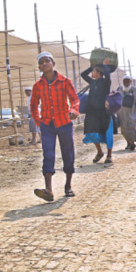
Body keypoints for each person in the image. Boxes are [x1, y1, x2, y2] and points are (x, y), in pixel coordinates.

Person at [30, 52, 79, 201]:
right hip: (47, 125)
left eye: (47, 61)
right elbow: (33, 105)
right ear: (39, 66)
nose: (45, 64)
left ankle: (68, 186)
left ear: (53, 63)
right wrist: (38, 121)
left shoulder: (65, 82)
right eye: (41, 62)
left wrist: (73, 111)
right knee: (48, 155)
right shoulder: (38, 86)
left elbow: (75, 99)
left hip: (64, 123)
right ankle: (48, 190)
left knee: (68, 154)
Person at [81, 60, 113, 164]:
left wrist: (104, 66)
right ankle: (100, 152)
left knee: (107, 133)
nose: (92, 73)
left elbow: (108, 76)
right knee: (92, 132)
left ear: (99, 73)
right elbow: (83, 74)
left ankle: (109, 155)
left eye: (94, 71)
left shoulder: (105, 83)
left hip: (104, 112)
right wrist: (92, 66)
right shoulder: (92, 82)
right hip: (92, 112)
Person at [116, 75, 136, 151]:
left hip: (132, 113)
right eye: (125, 81)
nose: (126, 83)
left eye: (128, 81)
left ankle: (132, 143)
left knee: (131, 128)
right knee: (124, 129)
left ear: (130, 82)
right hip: (121, 114)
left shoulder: (135, 90)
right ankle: (128, 143)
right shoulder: (119, 89)